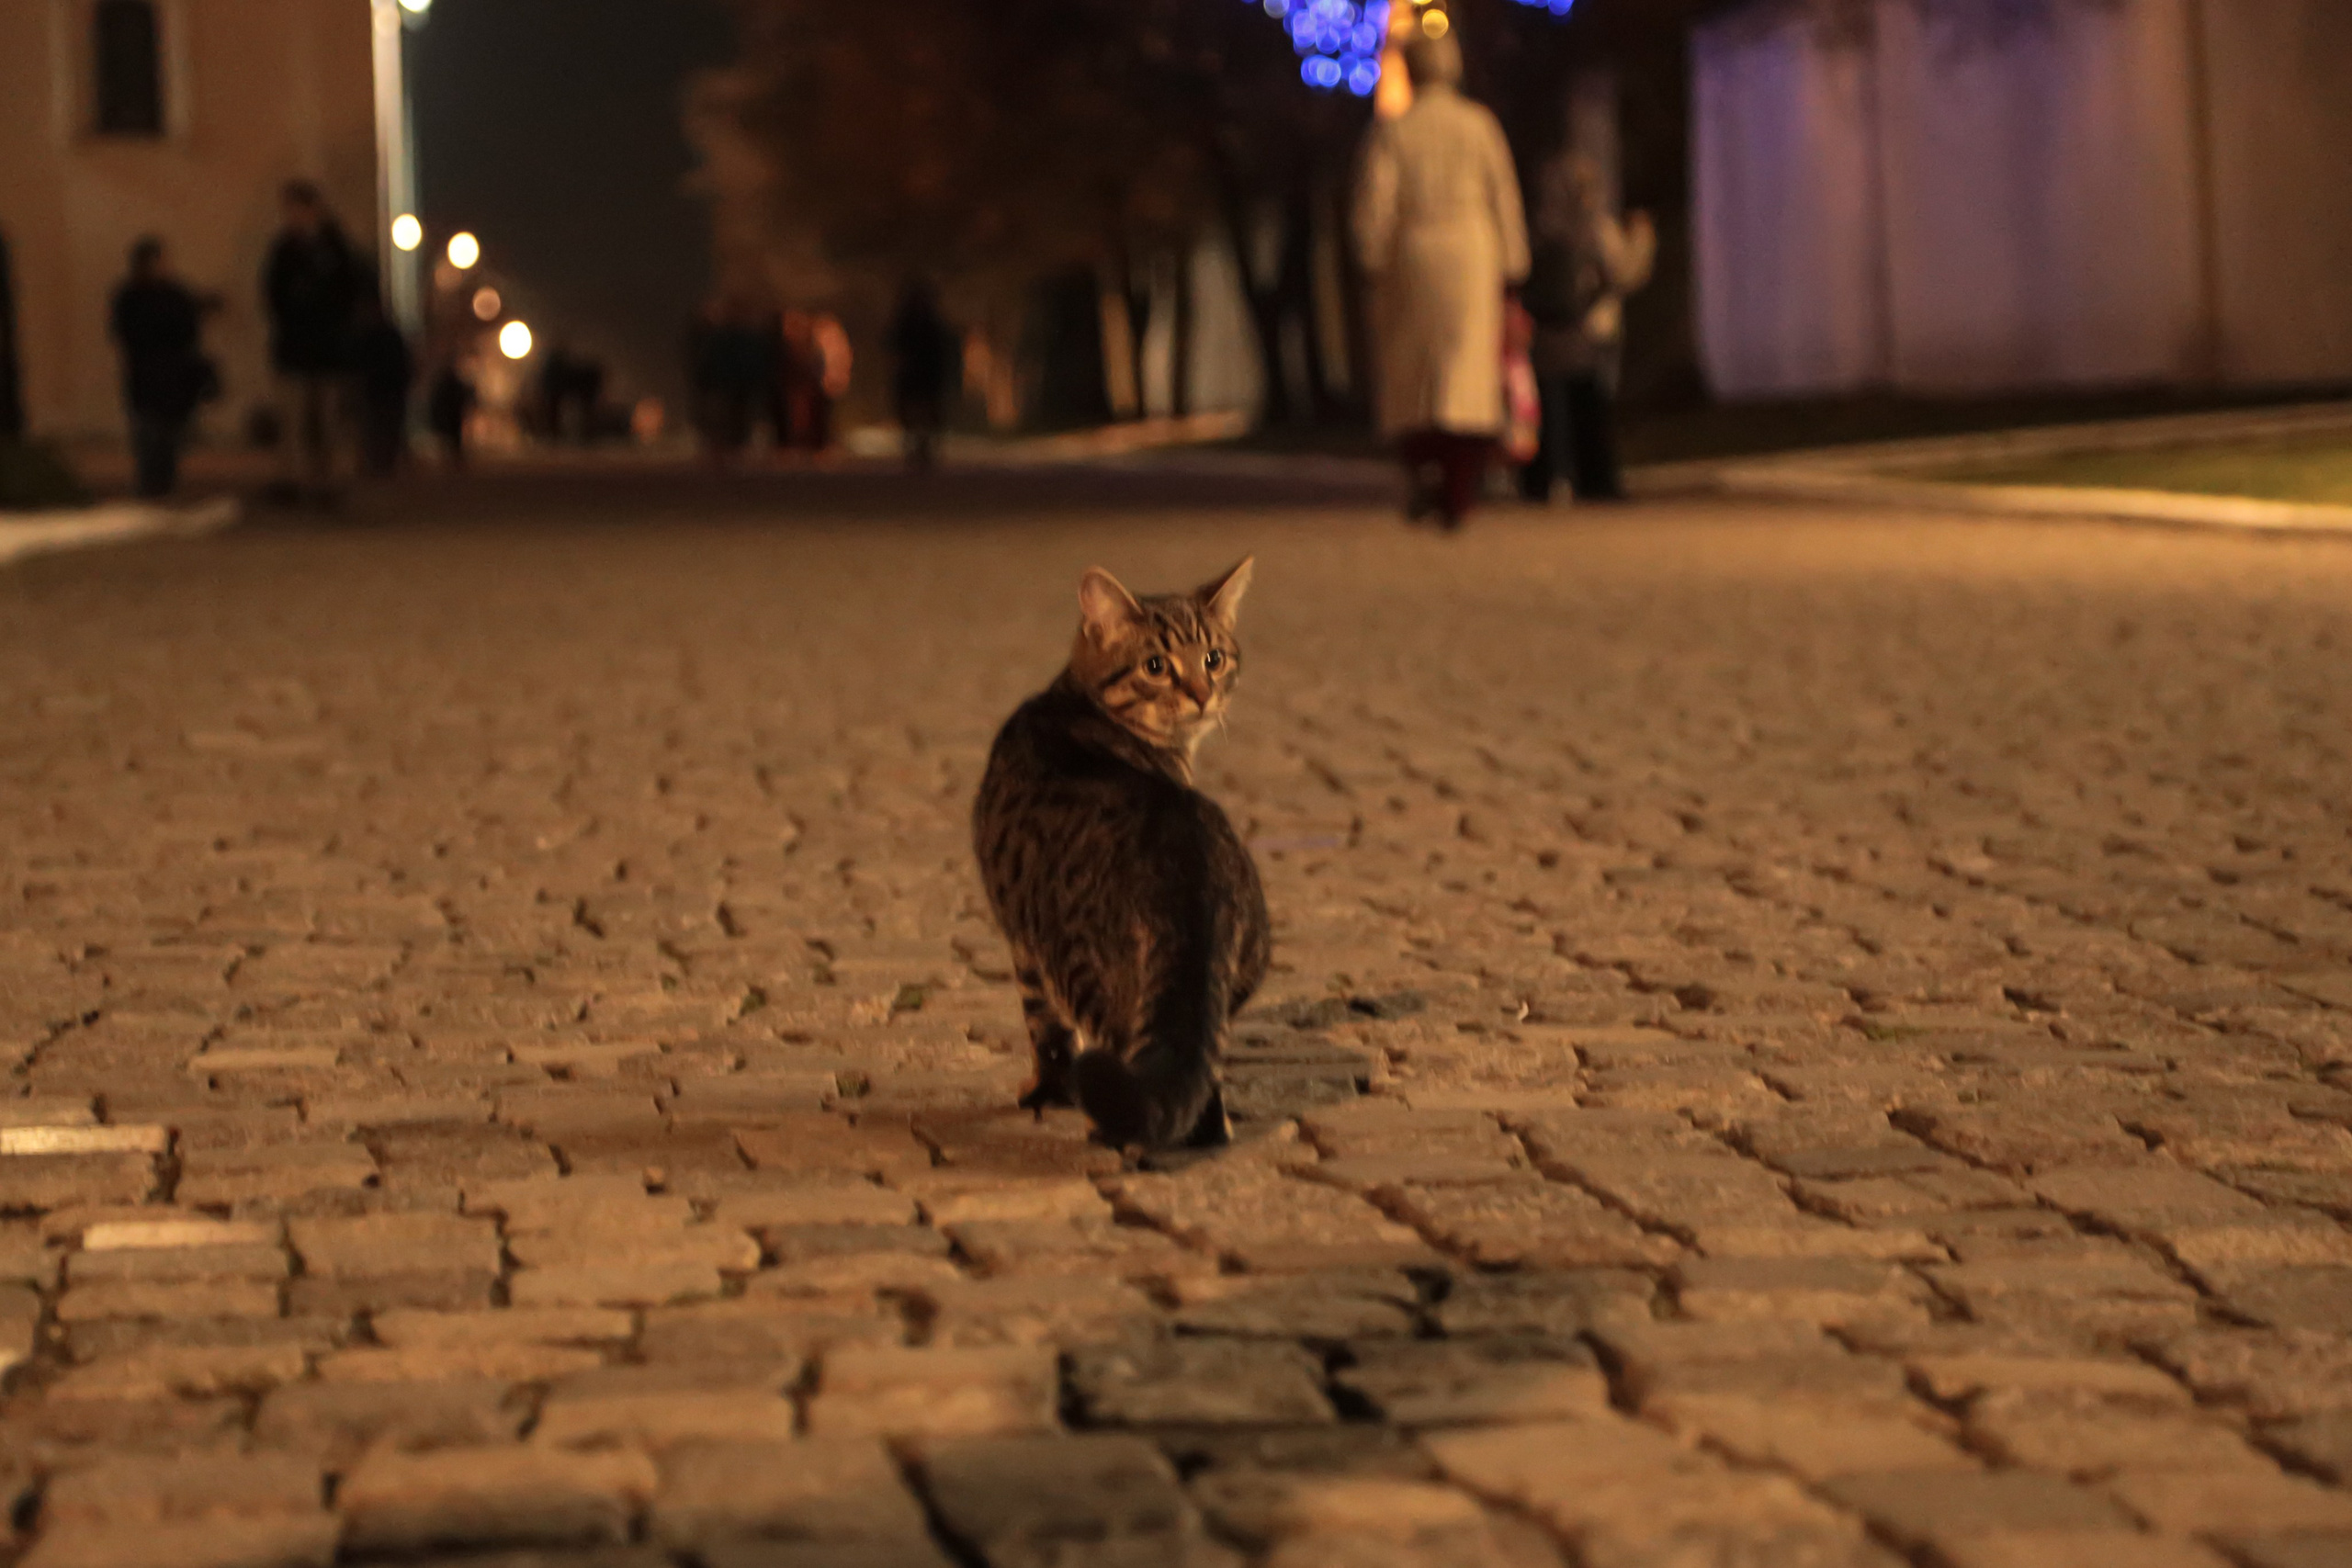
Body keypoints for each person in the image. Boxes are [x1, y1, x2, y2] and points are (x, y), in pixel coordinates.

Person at [1352, 31, 1529, 531]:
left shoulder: (1394, 131)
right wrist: (1513, 265)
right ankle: (1458, 488)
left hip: (1414, 256)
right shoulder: (1479, 125)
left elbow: (1374, 205)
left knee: (1415, 373)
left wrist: (1372, 258)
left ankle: (1425, 472)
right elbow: (1504, 198)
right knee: (1467, 375)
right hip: (1473, 254)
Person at [1521, 152, 1656, 503]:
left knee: (1546, 411)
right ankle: (1595, 480)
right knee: (1587, 409)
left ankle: (1541, 480)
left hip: (1542, 334)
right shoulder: (1593, 227)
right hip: (1585, 332)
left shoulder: (1535, 228)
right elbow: (1623, 272)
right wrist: (1642, 239)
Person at [261, 180, 362, 502]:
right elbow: (272, 293)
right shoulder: (284, 248)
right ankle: (291, 480)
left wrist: (330, 317)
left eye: (297, 209)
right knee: (293, 417)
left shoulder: (335, 246)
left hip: (328, 349)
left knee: (327, 419)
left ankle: (325, 483)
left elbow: (350, 291)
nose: (293, 216)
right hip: (294, 348)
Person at [109, 238, 217, 499]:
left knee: (171, 435)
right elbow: (125, 332)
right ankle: (150, 484)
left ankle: (165, 483)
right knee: (148, 433)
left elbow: (189, 329)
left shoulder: (175, 293)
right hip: (146, 375)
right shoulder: (131, 295)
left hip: (174, 379)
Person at [888, 279, 958, 471]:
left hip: (927, 377)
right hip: (912, 377)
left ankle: (925, 450)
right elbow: (893, 347)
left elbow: (943, 352)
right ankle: (914, 450)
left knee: (928, 415)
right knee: (911, 416)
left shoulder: (932, 325)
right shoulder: (907, 323)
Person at [350, 291, 413, 477]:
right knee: (374, 428)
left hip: (388, 391)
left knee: (387, 429)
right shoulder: (366, 336)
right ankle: (377, 464)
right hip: (376, 391)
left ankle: (385, 464)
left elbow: (401, 363)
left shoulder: (386, 336)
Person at [426, 356, 477, 470]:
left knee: (453, 439)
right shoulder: (446, 384)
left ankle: (454, 462)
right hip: (449, 414)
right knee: (450, 439)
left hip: (452, 414)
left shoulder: (452, 383)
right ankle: (452, 462)